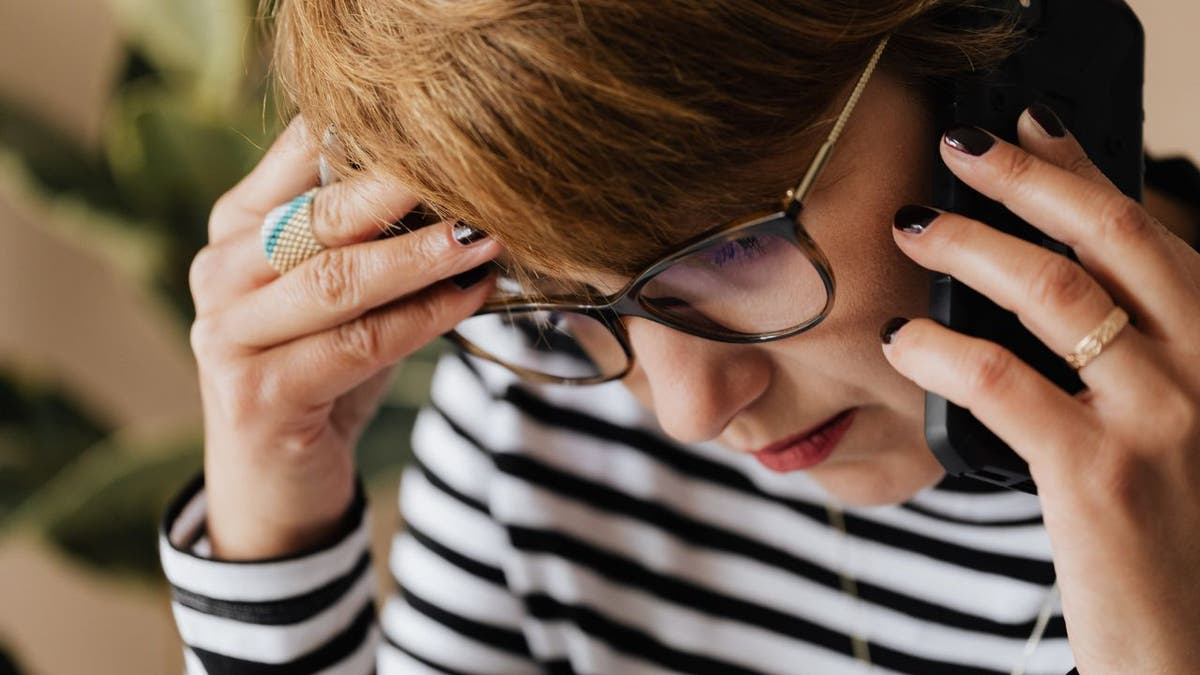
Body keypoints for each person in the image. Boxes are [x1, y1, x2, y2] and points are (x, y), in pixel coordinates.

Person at [160, 0, 1200, 673]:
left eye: (738, 247)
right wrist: (272, 524)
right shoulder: (539, 405)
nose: (691, 412)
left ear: (1007, 64)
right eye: (564, 294)